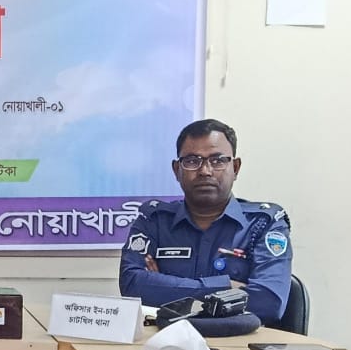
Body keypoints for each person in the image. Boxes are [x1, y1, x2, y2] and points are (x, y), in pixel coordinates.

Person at [119, 119, 291, 325]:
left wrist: (164, 287)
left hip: (239, 341)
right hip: (167, 340)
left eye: (217, 161)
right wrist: (227, 286)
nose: (205, 171)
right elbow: (132, 286)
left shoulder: (263, 224)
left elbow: (269, 301)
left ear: (235, 168)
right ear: (177, 169)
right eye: (192, 161)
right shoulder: (154, 220)